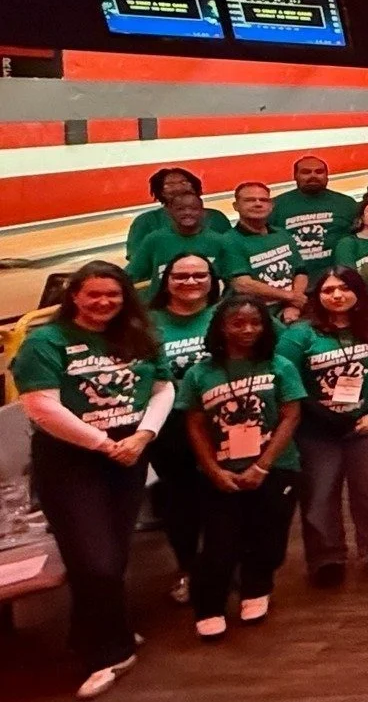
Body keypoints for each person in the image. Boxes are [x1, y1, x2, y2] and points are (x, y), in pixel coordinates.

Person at [9, 263, 173, 698]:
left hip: (128, 454)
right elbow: (41, 407)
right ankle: (112, 652)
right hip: (71, 461)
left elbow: (162, 388)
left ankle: (89, 632)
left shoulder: (139, 334)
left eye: (113, 295)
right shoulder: (45, 341)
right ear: (74, 297)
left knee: (112, 557)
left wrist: (143, 434)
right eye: (93, 295)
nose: (104, 303)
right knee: (94, 561)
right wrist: (104, 444)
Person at [177, 296, 304, 639]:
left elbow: (291, 415)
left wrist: (263, 466)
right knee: (220, 543)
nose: (247, 330)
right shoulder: (200, 373)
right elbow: (195, 423)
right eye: (237, 323)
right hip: (221, 471)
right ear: (220, 327)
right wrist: (213, 470)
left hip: (276, 467)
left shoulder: (279, 366)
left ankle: (256, 588)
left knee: (269, 537)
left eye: (255, 323)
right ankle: (209, 605)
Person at [278, 267, 368, 586]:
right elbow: (287, 383)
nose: (336, 295)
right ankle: (327, 558)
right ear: (317, 296)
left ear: (358, 292)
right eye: (328, 290)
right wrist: (327, 419)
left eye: (344, 288)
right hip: (317, 429)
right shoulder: (299, 334)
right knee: (320, 494)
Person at [145, 254, 224, 605]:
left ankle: (225, 565)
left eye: (199, 275)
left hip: (227, 419)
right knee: (181, 500)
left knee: (225, 497)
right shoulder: (147, 324)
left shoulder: (227, 314)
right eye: (181, 276)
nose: (190, 282)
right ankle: (189, 568)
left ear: (212, 279)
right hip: (172, 425)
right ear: (166, 281)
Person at [225, 181, 308, 322]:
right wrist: (292, 297)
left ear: (271, 205)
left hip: (292, 309)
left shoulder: (282, 234)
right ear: (236, 206)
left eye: (263, 200)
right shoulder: (228, 241)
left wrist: (293, 305)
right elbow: (242, 284)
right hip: (255, 316)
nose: (258, 204)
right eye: (249, 200)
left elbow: (301, 271)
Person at [128, 190, 237, 291]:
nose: (187, 212)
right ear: (170, 212)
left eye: (194, 209)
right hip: (162, 307)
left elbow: (233, 279)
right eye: (180, 209)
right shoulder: (155, 239)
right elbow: (131, 273)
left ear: (203, 212)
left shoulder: (219, 241)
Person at [126, 167, 230, 270]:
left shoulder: (217, 218)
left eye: (184, 182)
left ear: (194, 186)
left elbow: (231, 254)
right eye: (169, 185)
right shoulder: (145, 221)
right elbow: (137, 261)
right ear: (160, 191)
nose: (178, 188)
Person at [270, 155, 357, 278]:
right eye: (306, 172)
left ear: (327, 176)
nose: (313, 176)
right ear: (295, 176)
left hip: (338, 280)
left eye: (319, 172)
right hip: (294, 280)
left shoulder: (347, 203)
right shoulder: (276, 205)